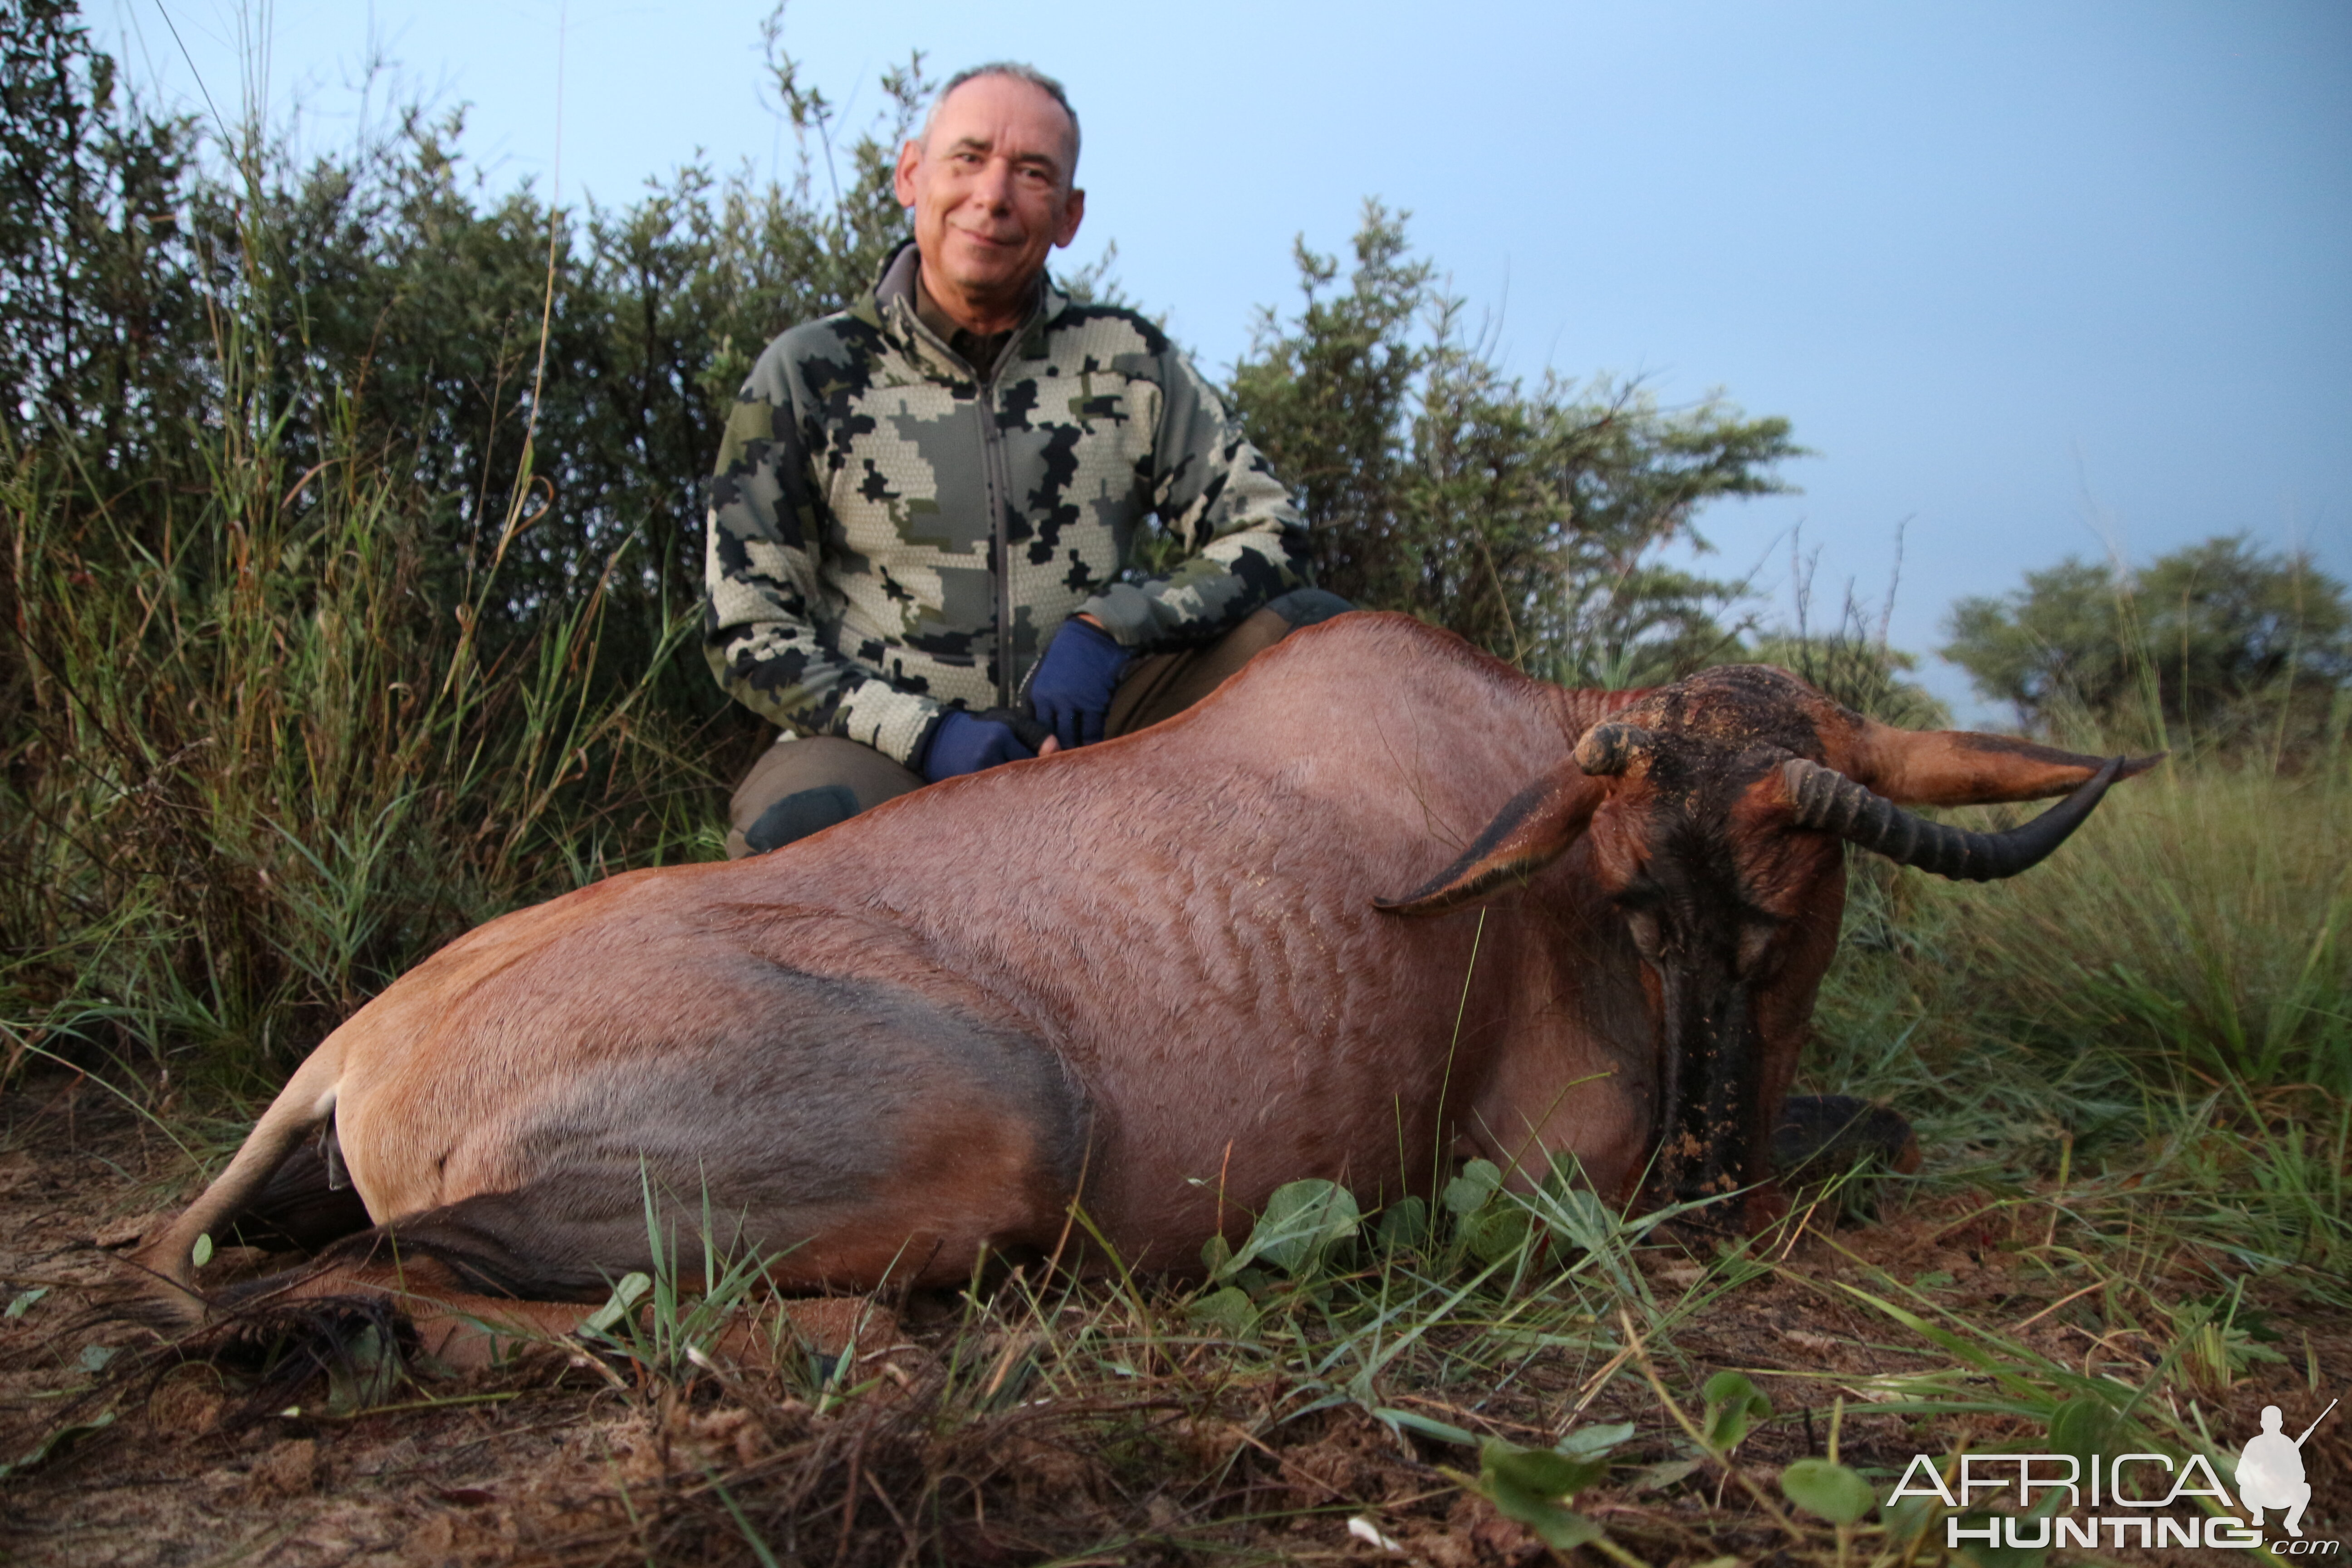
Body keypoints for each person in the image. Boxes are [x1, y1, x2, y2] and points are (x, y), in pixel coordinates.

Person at [705, 61, 1345, 856]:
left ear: (1069, 215)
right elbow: (748, 628)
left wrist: (1111, 629)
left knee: (1315, 631)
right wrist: (925, 733)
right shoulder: (807, 370)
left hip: (1096, 724)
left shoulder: (1125, 359)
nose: (993, 195)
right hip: (885, 750)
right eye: (967, 159)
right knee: (794, 832)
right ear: (911, 174)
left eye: (1031, 173)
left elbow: (1269, 528)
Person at [2237, 1404, 2315, 1536]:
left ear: (2280, 1423)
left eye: (2274, 1421)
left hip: (2283, 1493)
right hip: (2259, 1492)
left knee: (2305, 1489)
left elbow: (2300, 1475)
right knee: (2244, 1490)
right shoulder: (2254, 1444)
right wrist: (2260, 1475)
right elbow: (2240, 1474)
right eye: (2268, 1421)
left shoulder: (2288, 1445)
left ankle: (2292, 1523)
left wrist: (2286, 1480)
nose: (2271, 1425)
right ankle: (2257, 1515)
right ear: (2262, 1423)